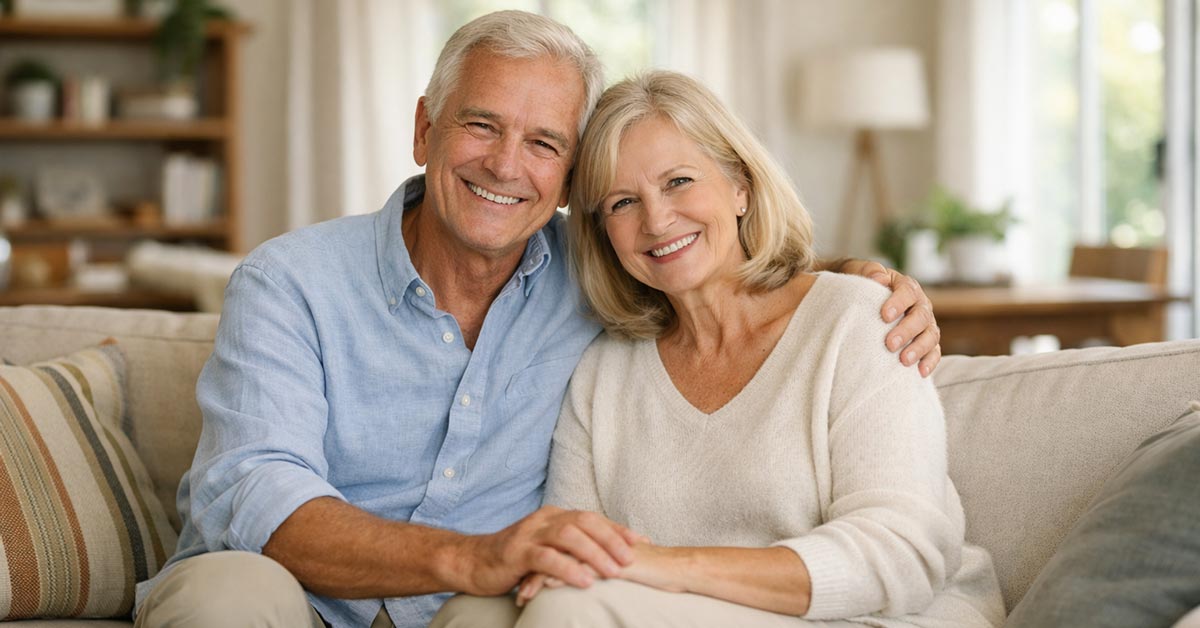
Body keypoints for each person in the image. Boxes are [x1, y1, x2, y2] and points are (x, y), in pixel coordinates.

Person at [134, 12, 944, 628]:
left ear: (565, 181)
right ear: (425, 130)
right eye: (481, 124)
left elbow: (706, 267)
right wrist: (473, 555)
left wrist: (852, 281)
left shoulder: (597, 274)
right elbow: (256, 492)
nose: (505, 164)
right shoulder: (290, 282)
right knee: (227, 594)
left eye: (544, 142)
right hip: (294, 595)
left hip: (472, 606)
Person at [431, 71, 1004, 628]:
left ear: (740, 186)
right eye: (622, 203)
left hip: (873, 614)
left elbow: (902, 555)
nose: (657, 220)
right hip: (676, 610)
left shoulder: (860, 320)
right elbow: (575, 547)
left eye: (679, 182)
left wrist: (660, 567)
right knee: (470, 614)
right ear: (602, 231)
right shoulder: (603, 369)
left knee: (570, 610)